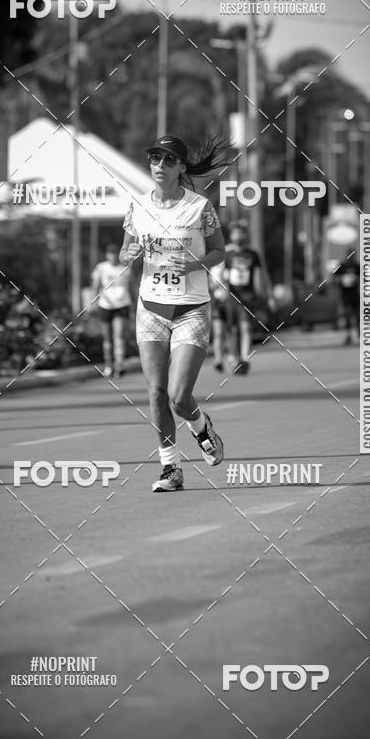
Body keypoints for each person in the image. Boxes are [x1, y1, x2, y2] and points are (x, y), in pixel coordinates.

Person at [119, 133, 229, 492]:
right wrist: (128, 255)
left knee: (179, 397)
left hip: (191, 309)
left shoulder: (200, 207)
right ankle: (170, 469)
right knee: (155, 392)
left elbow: (219, 252)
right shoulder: (137, 205)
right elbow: (127, 249)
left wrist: (195, 263)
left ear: (181, 167)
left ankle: (201, 427)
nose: (160, 166)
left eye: (168, 160)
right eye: (155, 159)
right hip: (150, 307)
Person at [223, 220, 274, 374]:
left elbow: (263, 274)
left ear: (246, 235)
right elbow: (219, 274)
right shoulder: (226, 252)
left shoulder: (253, 253)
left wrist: (269, 295)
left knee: (245, 327)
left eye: (241, 233)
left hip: (248, 296)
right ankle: (232, 355)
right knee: (231, 328)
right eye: (235, 233)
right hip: (231, 296)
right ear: (231, 236)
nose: (238, 236)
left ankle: (244, 358)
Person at [90, 243, 133, 377]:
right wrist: (93, 303)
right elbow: (95, 286)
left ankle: (120, 365)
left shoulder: (125, 268)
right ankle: (109, 365)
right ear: (107, 255)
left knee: (119, 336)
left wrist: (135, 305)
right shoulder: (101, 268)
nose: (113, 256)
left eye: (115, 253)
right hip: (105, 305)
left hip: (122, 304)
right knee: (107, 338)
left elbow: (131, 288)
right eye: (110, 253)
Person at [334, 255, 360, 345]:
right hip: (345, 295)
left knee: (357, 315)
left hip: (355, 295)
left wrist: (356, 279)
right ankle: (349, 335)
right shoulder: (342, 266)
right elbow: (334, 275)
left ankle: (359, 333)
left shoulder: (357, 266)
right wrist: (339, 280)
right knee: (348, 315)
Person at [209, 258, 228, 372]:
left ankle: (234, 357)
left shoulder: (232, 264)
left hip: (232, 302)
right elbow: (211, 285)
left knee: (231, 332)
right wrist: (218, 281)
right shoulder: (214, 268)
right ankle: (218, 359)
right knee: (219, 332)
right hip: (218, 302)